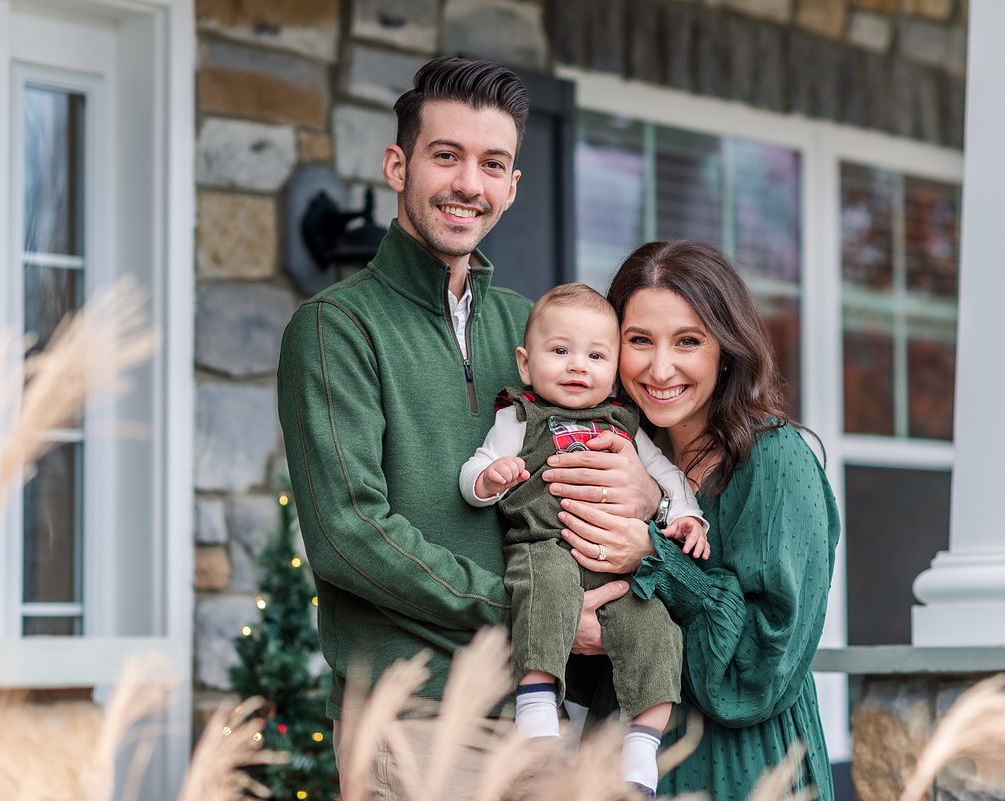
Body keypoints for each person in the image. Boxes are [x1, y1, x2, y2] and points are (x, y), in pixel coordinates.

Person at [276, 56, 657, 798]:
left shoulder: (532, 327)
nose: (468, 184)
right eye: (445, 155)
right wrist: (536, 614)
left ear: (513, 187)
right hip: (415, 718)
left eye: (493, 164)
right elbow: (351, 533)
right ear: (398, 164)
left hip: (544, 712)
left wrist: (641, 491)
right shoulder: (336, 327)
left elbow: (611, 463)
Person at [552, 241, 840, 801]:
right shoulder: (612, 450)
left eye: (688, 341)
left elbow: (763, 663)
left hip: (741, 763)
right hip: (617, 755)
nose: (661, 369)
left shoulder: (777, 461)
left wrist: (653, 553)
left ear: (725, 352)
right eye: (639, 341)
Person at [458, 282, 709, 796]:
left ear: (614, 370)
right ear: (526, 365)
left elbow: (667, 476)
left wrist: (685, 516)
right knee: (543, 585)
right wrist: (489, 480)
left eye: (596, 355)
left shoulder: (624, 424)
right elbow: (475, 469)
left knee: (659, 630)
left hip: (617, 573)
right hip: (546, 545)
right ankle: (536, 702)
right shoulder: (518, 418)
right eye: (560, 352)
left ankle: (642, 745)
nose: (578, 366)